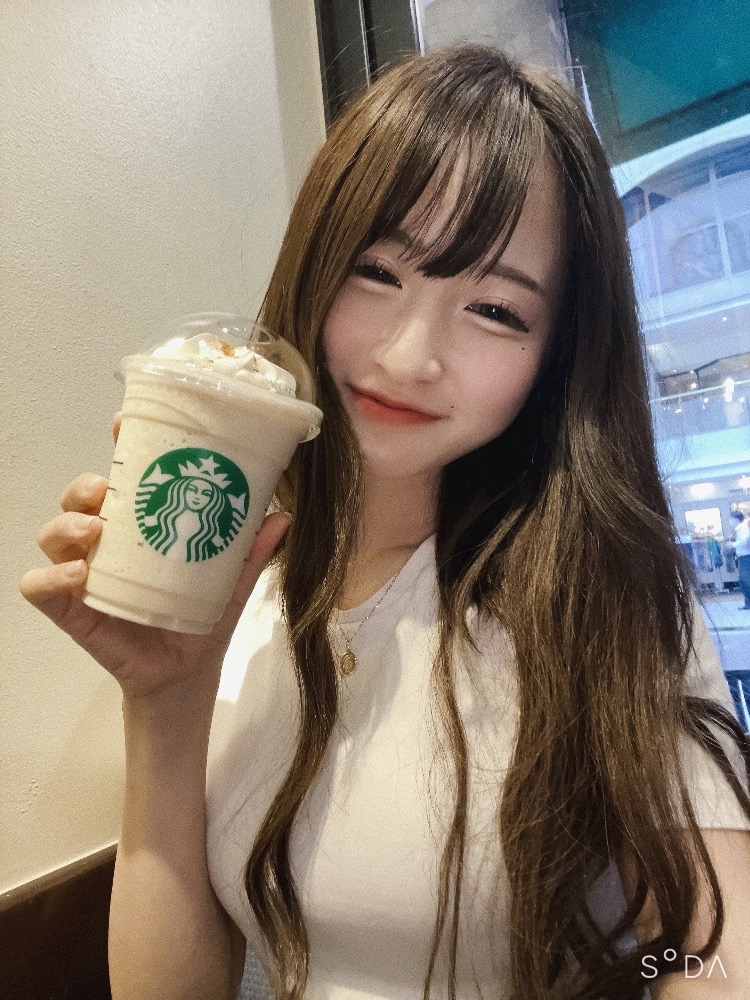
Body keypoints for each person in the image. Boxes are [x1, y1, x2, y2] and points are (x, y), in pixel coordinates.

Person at [19, 45, 750, 1000]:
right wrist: (163, 698)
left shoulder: (609, 601)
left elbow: (711, 955)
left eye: (495, 310)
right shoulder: (239, 589)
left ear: (556, 355)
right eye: (377, 271)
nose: (409, 357)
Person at [730, 509, 750, 609]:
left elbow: (745, 540)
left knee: (744, 580)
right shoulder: (740, 528)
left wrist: (733, 545)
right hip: (744, 557)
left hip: (745, 557)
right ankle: (748, 602)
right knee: (744, 581)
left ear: (736, 519)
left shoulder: (742, 528)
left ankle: (748, 602)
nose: (730, 521)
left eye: (731, 519)